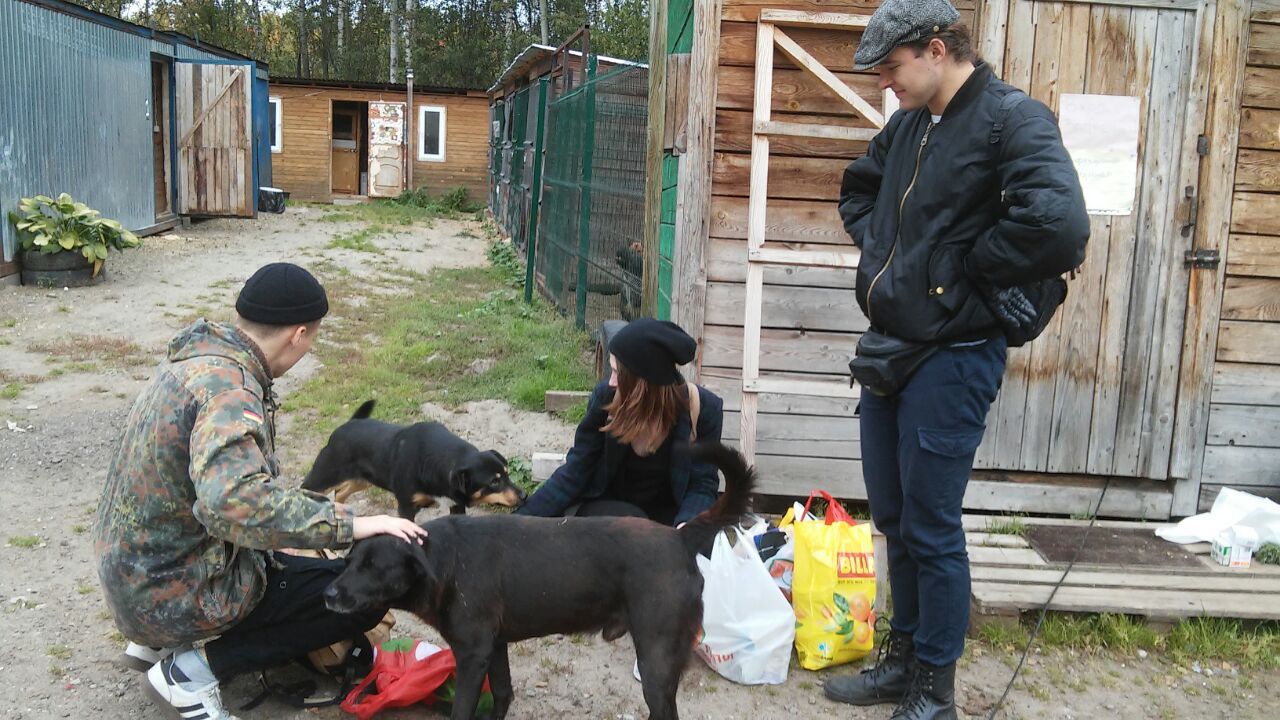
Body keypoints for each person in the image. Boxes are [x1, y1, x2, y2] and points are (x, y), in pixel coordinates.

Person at [822, 2, 1088, 718]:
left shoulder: (1012, 120)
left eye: (891, 67)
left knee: (931, 525)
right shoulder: (910, 124)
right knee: (893, 517)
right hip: (889, 348)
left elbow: (1059, 223)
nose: (884, 84)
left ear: (936, 49)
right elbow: (859, 188)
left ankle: (934, 690)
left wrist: (963, 268)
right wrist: (888, 251)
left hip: (956, 355)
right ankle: (902, 660)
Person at [94, 262, 427, 720]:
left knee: (295, 563)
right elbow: (235, 503)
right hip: (167, 592)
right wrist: (352, 524)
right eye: (312, 339)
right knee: (362, 594)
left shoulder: (196, 361)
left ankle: (158, 645)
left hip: (134, 573)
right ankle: (189, 672)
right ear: (299, 335)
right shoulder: (230, 392)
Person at [516, 318, 724, 528]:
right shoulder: (606, 398)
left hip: (667, 519)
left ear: (644, 383)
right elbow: (577, 469)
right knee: (635, 523)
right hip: (607, 511)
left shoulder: (703, 409)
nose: (611, 381)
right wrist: (519, 522)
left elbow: (702, 484)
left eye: (618, 373)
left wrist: (688, 529)